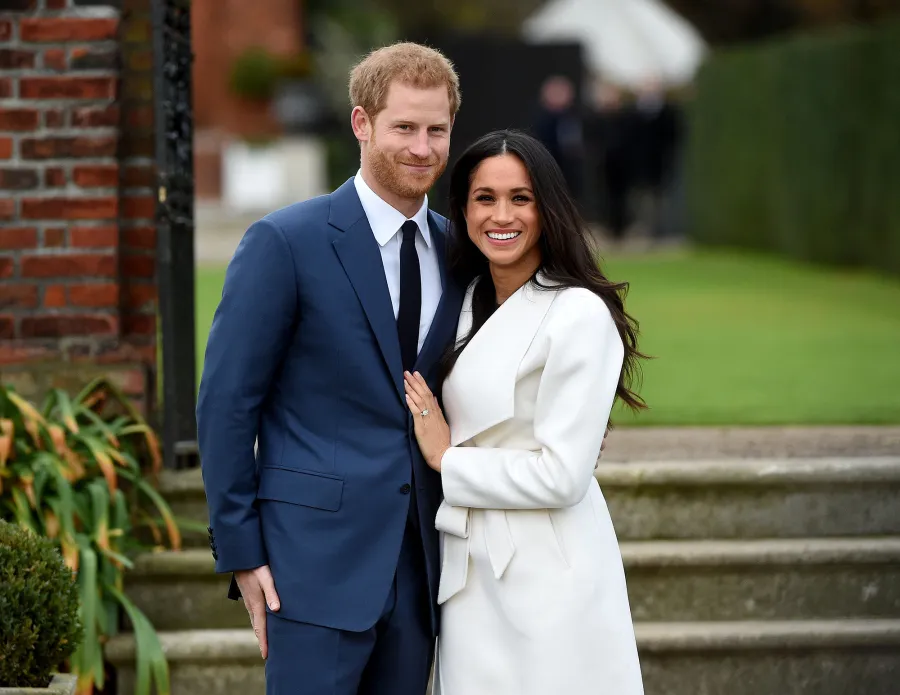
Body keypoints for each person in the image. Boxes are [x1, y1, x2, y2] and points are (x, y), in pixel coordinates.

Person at [196, 43, 466, 695]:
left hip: (424, 570)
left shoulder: (461, 251)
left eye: (436, 130)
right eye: (404, 127)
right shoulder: (285, 242)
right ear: (361, 123)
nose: (422, 147)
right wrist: (242, 552)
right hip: (309, 567)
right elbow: (227, 403)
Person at [402, 130, 646, 695]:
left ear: (547, 208)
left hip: (548, 568)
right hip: (468, 568)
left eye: (521, 198)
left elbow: (562, 476)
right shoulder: (462, 301)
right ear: (463, 210)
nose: (501, 215)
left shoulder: (579, 313)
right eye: (484, 198)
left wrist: (448, 458)